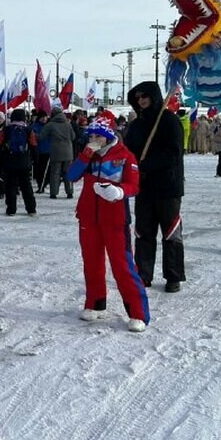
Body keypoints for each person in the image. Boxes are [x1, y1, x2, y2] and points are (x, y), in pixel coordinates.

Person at [66, 115, 148, 332]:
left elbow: (135, 185)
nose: (93, 139)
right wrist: (85, 155)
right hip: (88, 217)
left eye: (98, 136)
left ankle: (137, 312)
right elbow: (72, 175)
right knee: (91, 263)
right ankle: (95, 303)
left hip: (115, 218)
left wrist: (119, 192)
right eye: (91, 135)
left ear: (108, 135)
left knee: (122, 265)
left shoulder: (125, 156)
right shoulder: (88, 155)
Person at [123, 81, 186, 293]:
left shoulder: (169, 120)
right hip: (144, 187)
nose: (141, 101)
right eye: (138, 98)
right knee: (143, 232)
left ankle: (173, 276)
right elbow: (128, 151)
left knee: (170, 233)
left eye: (145, 96)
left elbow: (174, 152)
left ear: (154, 97)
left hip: (168, 186)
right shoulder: (137, 125)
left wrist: (146, 165)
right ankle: (143, 273)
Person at [0, 108, 37, 216]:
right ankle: (31, 209)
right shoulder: (28, 129)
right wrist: (33, 160)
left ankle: (11, 209)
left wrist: (1, 160)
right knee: (26, 186)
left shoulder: (6, 129)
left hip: (9, 161)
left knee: (10, 186)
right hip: (24, 161)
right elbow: (33, 145)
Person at [42, 107, 76, 199]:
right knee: (68, 172)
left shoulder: (50, 125)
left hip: (56, 151)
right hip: (68, 152)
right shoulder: (68, 124)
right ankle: (69, 192)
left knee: (55, 173)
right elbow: (73, 137)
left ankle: (54, 193)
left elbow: (41, 136)